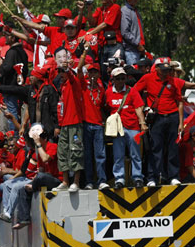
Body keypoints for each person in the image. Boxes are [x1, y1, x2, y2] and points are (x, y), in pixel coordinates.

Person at [134, 57, 184, 186]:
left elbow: (179, 101)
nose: (166, 72)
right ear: (156, 69)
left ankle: (173, 176)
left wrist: (180, 122)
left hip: (172, 116)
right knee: (156, 149)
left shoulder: (172, 81)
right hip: (156, 118)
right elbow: (134, 92)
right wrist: (142, 109)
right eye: (163, 70)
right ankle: (152, 178)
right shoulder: (148, 78)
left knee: (173, 148)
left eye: (167, 70)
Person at [105, 67, 147, 189]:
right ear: (113, 80)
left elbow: (138, 107)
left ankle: (137, 177)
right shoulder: (108, 92)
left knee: (136, 154)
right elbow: (106, 108)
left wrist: (142, 123)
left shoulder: (131, 91)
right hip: (117, 130)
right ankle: (119, 179)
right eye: (118, 79)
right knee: (118, 155)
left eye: (123, 78)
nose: (121, 81)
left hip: (133, 127)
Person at [52, 53, 84, 193]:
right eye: (59, 72)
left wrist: (67, 68)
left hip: (75, 123)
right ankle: (65, 181)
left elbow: (71, 76)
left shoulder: (73, 83)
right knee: (63, 152)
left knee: (76, 151)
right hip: (64, 125)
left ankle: (76, 182)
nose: (61, 74)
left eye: (62, 72)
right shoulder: (63, 87)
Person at [77, 43, 107, 189]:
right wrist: (84, 53)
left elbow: (103, 107)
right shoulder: (84, 85)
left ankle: (102, 180)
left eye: (95, 72)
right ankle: (89, 181)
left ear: (98, 74)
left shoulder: (101, 88)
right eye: (91, 72)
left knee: (100, 155)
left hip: (98, 125)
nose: (93, 75)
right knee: (88, 155)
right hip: (86, 124)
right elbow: (78, 70)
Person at [0, 30, 29, 131]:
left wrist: (0, 65)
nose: (5, 38)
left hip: (11, 87)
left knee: (12, 112)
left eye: (7, 36)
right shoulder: (22, 52)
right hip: (19, 87)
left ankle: (14, 135)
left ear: (13, 38)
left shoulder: (12, 52)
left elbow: (6, 69)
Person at [120, 0, 146, 65]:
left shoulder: (135, 11)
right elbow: (125, 32)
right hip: (131, 50)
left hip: (139, 49)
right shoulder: (125, 11)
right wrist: (137, 44)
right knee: (133, 74)